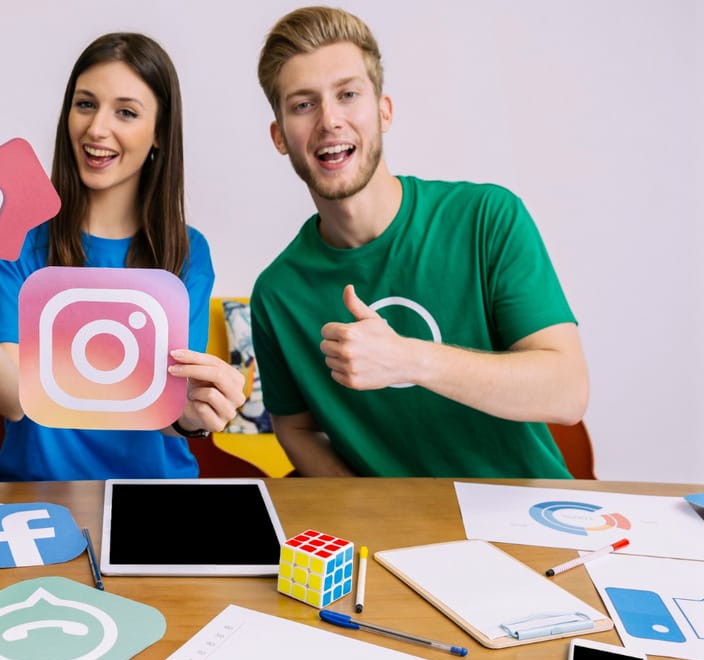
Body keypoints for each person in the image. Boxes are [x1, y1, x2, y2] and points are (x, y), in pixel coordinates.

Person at [250, 7, 589, 478]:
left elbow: (567, 392)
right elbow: (296, 430)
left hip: (531, 523)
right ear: (280, 136)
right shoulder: (277, 293)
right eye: (303, 104)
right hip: (393, 545)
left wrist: (409, 359)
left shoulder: (487, 217)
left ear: (383, 111)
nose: (330, 120)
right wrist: (370, 521)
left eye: (348, 94)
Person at [0, 33, 245, 481]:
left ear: (159, 132)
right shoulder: (18, 238)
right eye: (85, 104)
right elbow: (15, 402)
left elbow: (169, 410)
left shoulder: (187, 251)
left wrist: (197, 417)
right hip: (37, 494)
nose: (97, 128)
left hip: (152, 496)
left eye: (126, 112)